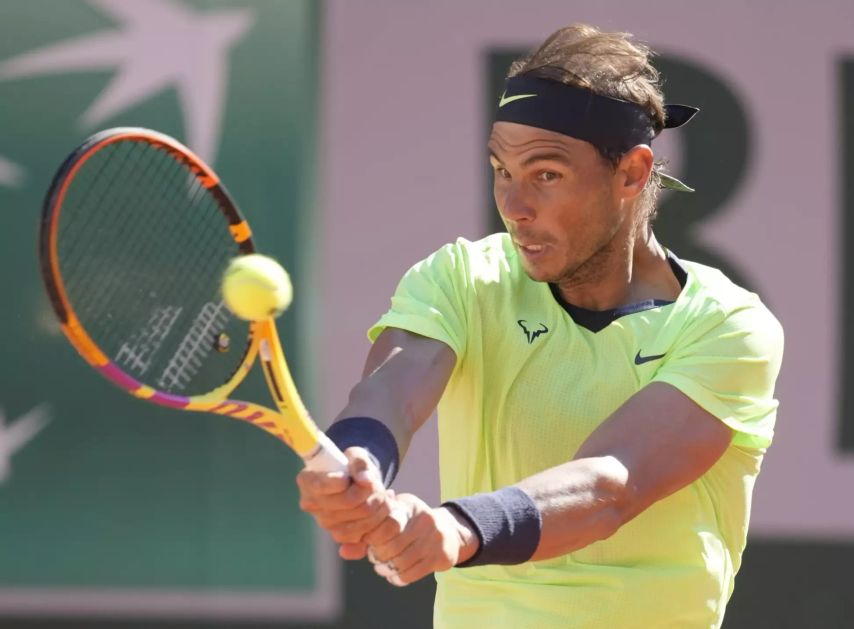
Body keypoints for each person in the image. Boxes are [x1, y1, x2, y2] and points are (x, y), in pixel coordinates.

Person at [298, 24, 783, 628]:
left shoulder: (729, 327)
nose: (514, 204)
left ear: (631, 174)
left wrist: (458, 527)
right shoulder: (462, 278)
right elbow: (390, 394)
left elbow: (612, 485)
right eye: (501, 169)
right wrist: (360, 459)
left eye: (546, 174)